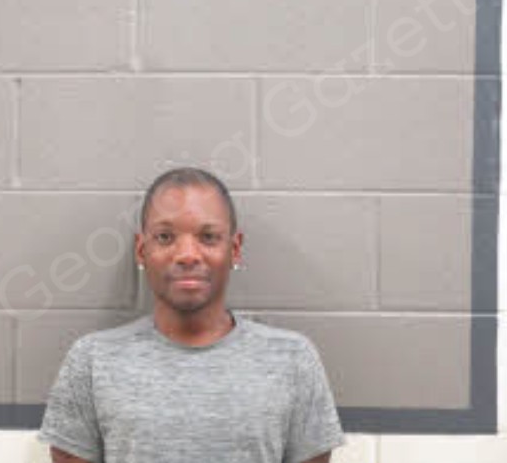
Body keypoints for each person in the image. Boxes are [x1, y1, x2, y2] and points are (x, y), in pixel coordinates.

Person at [38, 167, 345, 462]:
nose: (187, 255)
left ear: (235, 248)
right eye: (165, 237)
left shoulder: (292, 360)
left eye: (208, 237)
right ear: (141, 250)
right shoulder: (93, 360)